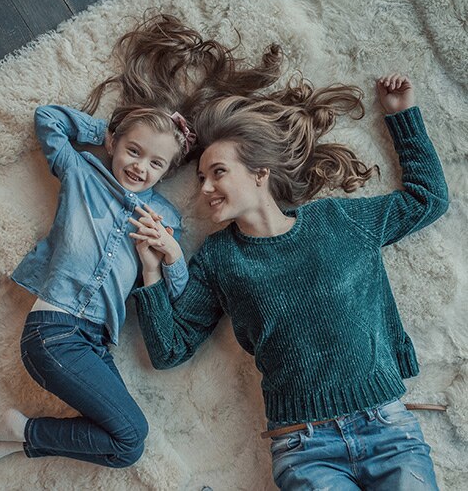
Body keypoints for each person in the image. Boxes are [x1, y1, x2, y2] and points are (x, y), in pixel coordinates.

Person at [0, 14, 282, 475]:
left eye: (156, 163)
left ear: (167, 172)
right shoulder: (82, 174)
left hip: (96, 343)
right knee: (127, 436)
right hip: (55, 327)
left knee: (129, 443)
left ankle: (23, 434)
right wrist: (103, 134)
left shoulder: (163, 217)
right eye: (133, 151)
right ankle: (21, 433)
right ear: (115, 145)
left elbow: (176, 298)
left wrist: (171, 256)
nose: (140, 167)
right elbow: (48, 120)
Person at [129, 74, 448, 489]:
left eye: (218, 172)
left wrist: (401, 114)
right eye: (201, 178)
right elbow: (169, 349)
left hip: (388, 431)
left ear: (260, 173)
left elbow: (428, 199)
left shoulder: (340, 220)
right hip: (304, 448)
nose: (206, 188)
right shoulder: (218, 259)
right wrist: (152, 271)